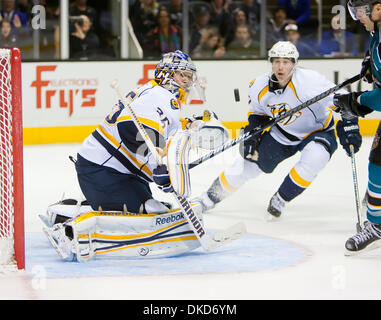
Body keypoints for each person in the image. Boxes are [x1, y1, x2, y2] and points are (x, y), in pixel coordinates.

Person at [39, 51, 228, 260]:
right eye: (181, 74)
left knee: (158, 209)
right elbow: (130, 128)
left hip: (115, 171)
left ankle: (65, 211)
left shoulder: (157, 94)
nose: (186, 80)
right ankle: (68, 225)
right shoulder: (160, 96)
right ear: (166, 73)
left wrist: (189, 127)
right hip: (103, 171)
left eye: (189, 76)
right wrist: (155, 163)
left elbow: (155, 131)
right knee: (149, 213)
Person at [196, 41, 361, 220]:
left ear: (294, 64)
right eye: (276, 61)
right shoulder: (259, 86)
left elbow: (344, 101)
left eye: (286, 62)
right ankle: (208, 198)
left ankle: (281, 198)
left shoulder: (310, 81)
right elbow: (257, 115)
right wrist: (252, 136)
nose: (280, 66)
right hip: (282, 134)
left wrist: (350, 125)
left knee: (315, 158)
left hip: (318, 132)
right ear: (271, 62)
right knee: (246, 165)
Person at [333, 0, 381, 254]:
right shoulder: (376, 33)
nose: (356, 17)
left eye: (360, 10)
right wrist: (369, 61)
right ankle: (376, 224)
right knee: (378, 163)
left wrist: (357, 101)